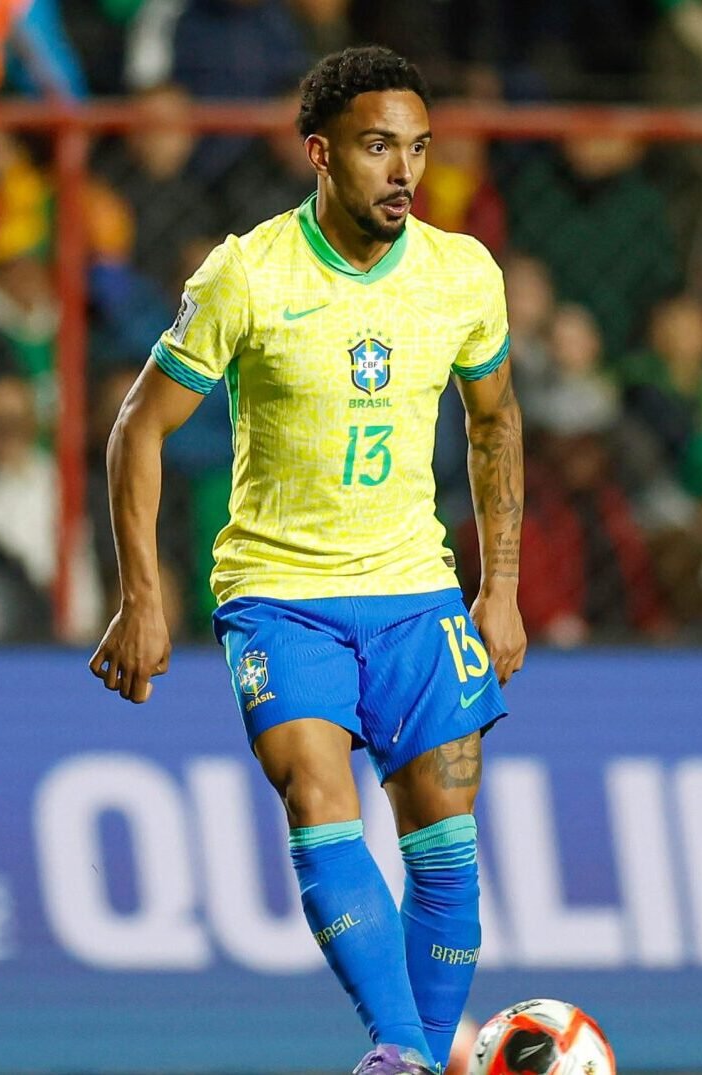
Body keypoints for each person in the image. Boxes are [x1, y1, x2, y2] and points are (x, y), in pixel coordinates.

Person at [90, 47, 524, 1075]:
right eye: (379, 148)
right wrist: (139, 598)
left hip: (416, 593)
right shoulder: (246, 273)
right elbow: (135, 429)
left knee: (444, 843)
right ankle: (398, 1052)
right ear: (320, 153)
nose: (403, 172)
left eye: (417, 148)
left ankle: (415, 1060)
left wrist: (498, 585)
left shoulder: (462, 275)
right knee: (316, 797)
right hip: (280, 597)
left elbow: (496, 422)